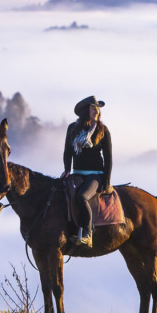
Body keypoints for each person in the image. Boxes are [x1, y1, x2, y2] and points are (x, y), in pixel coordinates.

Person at [62, 96, 112, 248]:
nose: (96, 111)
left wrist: (106, 181)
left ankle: (87, 235)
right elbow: (68, 151)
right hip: (77, 172)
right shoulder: (72, 128)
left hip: (95, 174)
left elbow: (108, 158)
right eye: (93, 107)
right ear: (85, 110)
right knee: (61, 192)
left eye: (98, 108)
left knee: (82, 196)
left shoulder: (103, 130)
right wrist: (66, 170)